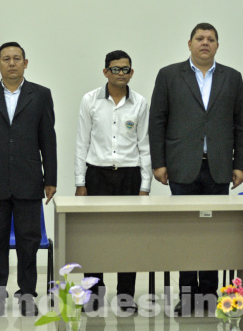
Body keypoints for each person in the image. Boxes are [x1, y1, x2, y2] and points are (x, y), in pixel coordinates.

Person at [149, 22, 243, 316]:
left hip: (219, 167)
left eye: (211, 39)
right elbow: (157, 122)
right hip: (182, 166)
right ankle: (188, 295)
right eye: (200, 38)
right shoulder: (169, 75)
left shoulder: (232, 77)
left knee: (213, 234)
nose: (205, 43)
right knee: (186, 233)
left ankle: (209, 294)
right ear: (189, 43)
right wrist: (159, 163)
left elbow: (241, 124)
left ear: (217, 45)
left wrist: (240, 164)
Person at [0, 42, 57, 317]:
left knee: (28, 243)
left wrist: (50, 178)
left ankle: (27, 295)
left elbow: (48, 140)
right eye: (6, 59)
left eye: (17, 58)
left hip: (29, 181)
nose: (12, 63)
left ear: (25, 63)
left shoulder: (41, 95)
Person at [74, 50, 152, 314]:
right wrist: (79, 181)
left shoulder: (140, 102)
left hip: (129, 177)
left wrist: (145, 185)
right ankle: (94, 294)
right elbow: (81, 142)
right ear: (105, 71)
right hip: (97, 175)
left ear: (132, 73)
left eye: (125, 69)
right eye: (115, 69)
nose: (121, 73)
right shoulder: (90, 100)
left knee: (128, 238)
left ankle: (126, 296)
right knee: (95, 238)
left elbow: (145, 146)